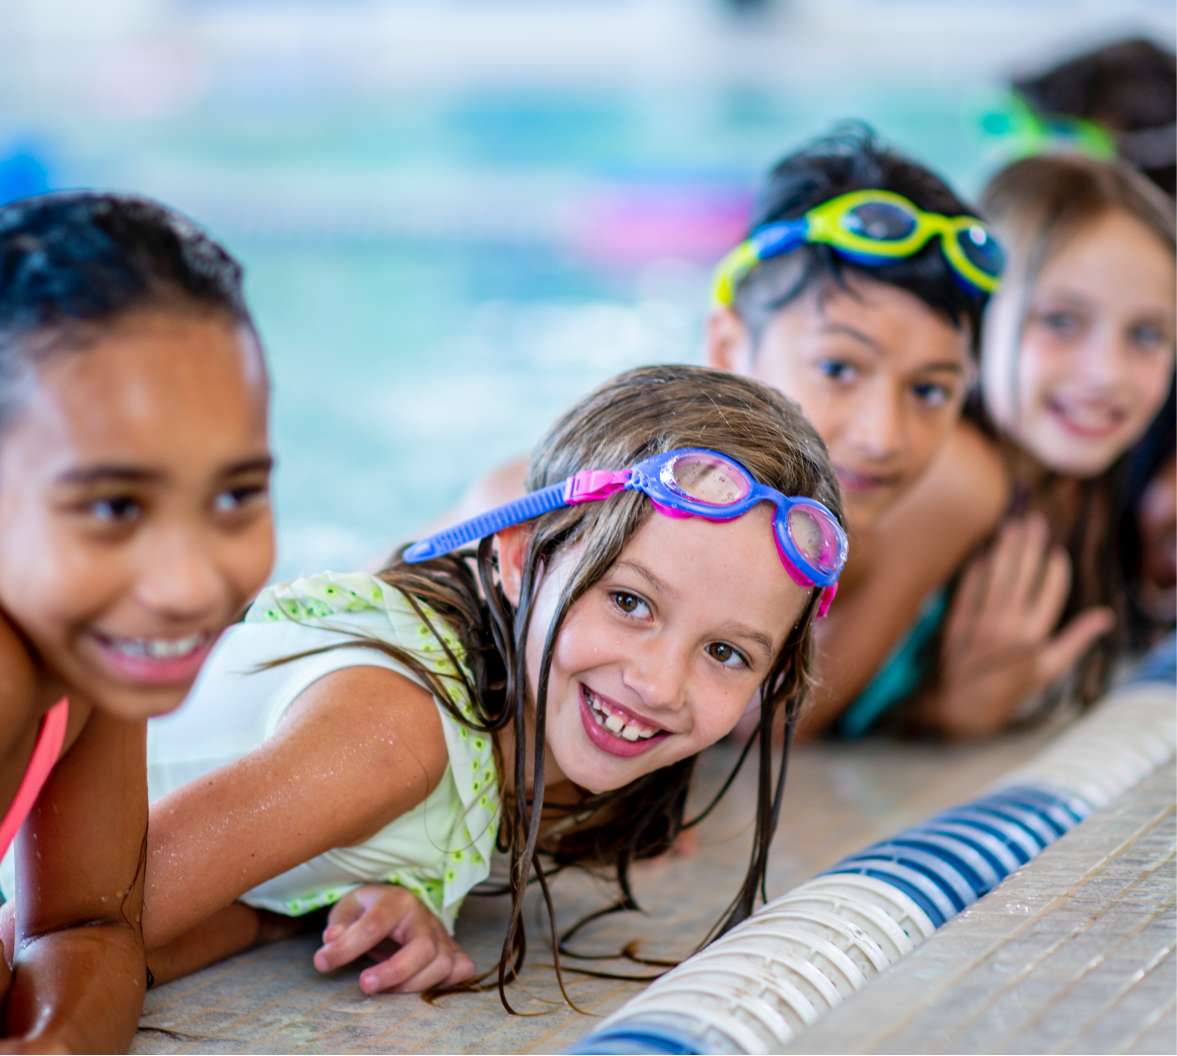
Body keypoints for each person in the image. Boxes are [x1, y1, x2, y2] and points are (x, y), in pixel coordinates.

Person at [88, 364, 846, 1008]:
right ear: (519, 559)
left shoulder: (536, 763)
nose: (657, 684)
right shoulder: (392, 736)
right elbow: (73, 923)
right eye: (629, 602)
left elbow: (161, 913)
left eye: (724, 651)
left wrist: (361, 899)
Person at [444, 125, 1009, 741]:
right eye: (838, 369)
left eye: (930, 390)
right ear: (727, 346)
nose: (884, 437)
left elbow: (769, 728)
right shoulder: (544, 515)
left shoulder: (944, 494)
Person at [0, 191, 275, 1051]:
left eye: (235, 495)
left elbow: (86, 924)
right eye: (114, 506)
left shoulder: (88, 653)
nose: (186, 585)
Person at [873, 153, 1175, 738]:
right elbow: (774, 720)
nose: (1107, 373)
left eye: (1146, 333)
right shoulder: (956, 475)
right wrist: (946, 715)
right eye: (1060, 321)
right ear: (972, 320)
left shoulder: (1070, 491)